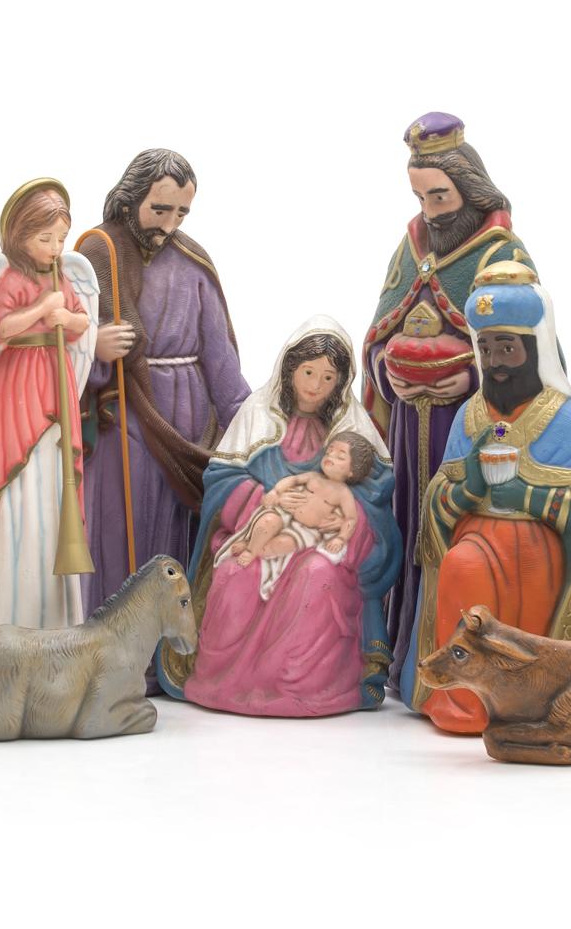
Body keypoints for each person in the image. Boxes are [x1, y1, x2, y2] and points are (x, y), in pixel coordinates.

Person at [362, 111, 542, 689]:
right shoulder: (411, 244)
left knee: (457, 531)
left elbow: (528, 347)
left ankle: (461, 659)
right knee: (408, 524)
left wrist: (471, 378)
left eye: (439, 196)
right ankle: (404, 654)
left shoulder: (501, 252)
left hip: (468, 425)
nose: (431, 211)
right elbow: (380, 329)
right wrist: (388, 373)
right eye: (420, 197)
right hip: (409, 421)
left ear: (469, 187)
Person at [401, 263, 571, 733]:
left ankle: (524, 700)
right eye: (485, 348)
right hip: (474, 537)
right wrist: (468, 488)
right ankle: (463, 701)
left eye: (507, 347)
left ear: (534, 349)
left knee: (505, 573)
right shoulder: (468, 416)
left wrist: (528, 495)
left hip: (539, 549)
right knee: (460, 565)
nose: (495, 360)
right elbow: (439, 499)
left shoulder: (570, 420)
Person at [157, 316, 401, 716]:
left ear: (340, 383)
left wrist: (338, 523)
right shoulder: (257, 412)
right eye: (308, 372)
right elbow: (221, 481)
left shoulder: (351, 428)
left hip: (316, 543)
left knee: (318, 575)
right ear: (290, 369)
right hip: (258, 526)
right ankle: (224, 679)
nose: (315, 385)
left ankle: (299, 683)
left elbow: (374, 497)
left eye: (328, 377)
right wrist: (262, 502)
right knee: (235, 574)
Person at [76, 149, 250, 627]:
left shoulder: (193, 262)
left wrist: (252, 427)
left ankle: (172, 654)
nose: (169, 225)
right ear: (129, 200)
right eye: (160, 209)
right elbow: (61, 340)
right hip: (125, 414)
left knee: (177, 534)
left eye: (181, 213)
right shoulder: (97, 256)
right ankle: (112, 646)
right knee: (122, 530)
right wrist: (93, 349)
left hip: (188, 422)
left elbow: (220, 359)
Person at [0, 179, 98, 629]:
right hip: (20, 386)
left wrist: (68, 317)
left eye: (61, 239)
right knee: (25, 492)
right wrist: (43, 309)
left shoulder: (62, 275)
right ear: (20, 236)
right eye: (46, 239)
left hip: (55, 382)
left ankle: (60, 617)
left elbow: (83, 322)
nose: (55, 248)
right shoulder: (10, 277)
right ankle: (20, 615)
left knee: (57, 484)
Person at [227, 431, 373, 568]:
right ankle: (251, 548)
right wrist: (276, 491)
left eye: (340, 457)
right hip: (287, 516)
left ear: (352, 471)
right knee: (268, 521)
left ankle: (255, 549)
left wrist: (340, 538)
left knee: (283, 544)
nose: (330, 457)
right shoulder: (313, 477)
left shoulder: (344, 494)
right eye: (329, 452)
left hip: (306, 531)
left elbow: (351, 519)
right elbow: (293, 480)